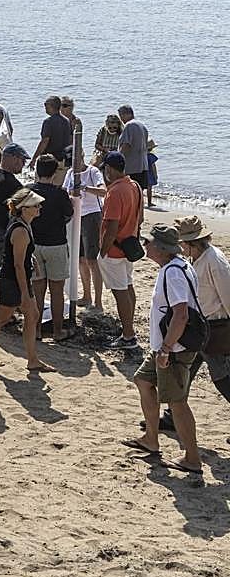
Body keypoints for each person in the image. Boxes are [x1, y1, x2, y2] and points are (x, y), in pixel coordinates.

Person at [121, 224, 203, 475]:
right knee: (143, 380)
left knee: (177, 403)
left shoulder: (173, 273)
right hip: (166, 345)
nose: (145, 245)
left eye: (149, 242)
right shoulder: (180, 266)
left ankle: (192, 459)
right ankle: (151, 439)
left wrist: (167, 349)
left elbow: (180, 315)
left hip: (174, 347)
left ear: (161, 248)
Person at [0, 187, 55, 372]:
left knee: (31, 315)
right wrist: (24, 293)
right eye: (35, 205)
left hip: (15, 279)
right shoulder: (21, 230)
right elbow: (17, 265)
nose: (39, 207)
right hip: (11, 281)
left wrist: (31, 259)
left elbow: (19, 257)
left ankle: (32, 359)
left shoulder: (22, 224)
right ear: (24, 208)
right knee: (2, 317)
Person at [174, 215, 230, 432]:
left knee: (223, 378)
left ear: (190, 243)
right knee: (182, 371)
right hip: (196, 326)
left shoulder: (214, 261)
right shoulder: (196, 258)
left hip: (215, 329)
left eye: (181, 243)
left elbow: (227, 296)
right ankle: (173, 415)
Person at [99, 151, 145, 351]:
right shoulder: (135, 186)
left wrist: (103, 251)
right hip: (130, 246)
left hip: (116, 249)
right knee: (128, 286)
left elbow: (111, 228)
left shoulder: (115, 192)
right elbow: (140, 218)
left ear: (109, 169)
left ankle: (128, 335)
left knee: (120, 293)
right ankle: (129, 329)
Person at [29, 155, 74, 340]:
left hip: (34, 244)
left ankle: (37, 330)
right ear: (55, 173)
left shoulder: (28, 191)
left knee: (38, 290)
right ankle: (57, 331)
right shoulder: (60, 193)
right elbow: (69, 214)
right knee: (57, 291)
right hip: (56, 244)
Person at [0, 143, 29, 309]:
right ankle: (6, 306)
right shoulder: (12, 184)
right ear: (12, 158)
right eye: (21, 160)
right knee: (8, 270)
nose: (23, 164)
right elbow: (24, 207)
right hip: (6, 231)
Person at [64, 156, 107, 312]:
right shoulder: (70, 173)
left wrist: (85, 188)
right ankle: (87, 296)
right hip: (76, 217)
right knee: (80, 259)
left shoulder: (93, 172)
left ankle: (98, 302)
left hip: (92, 215)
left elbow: (103, 191)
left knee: (92, 260)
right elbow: (65, 192)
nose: (74, 165)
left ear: (81, 157)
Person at [32, 95, 72, 176]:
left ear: (51, 106)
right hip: (64, 158)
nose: (44, 107)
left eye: (45, 104)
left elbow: (44, 141)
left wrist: (34, 158)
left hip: (50, 160)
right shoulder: (66, 121)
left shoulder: (48, 122)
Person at [117, 105, 150, 190]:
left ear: (127, 114)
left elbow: (126, 146)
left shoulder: (129, 125)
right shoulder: (142, 125)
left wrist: (118, 161)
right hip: (143, 166)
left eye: (121, 115)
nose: (121, 119)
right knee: (139, 193)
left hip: (132, 167)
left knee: (130, 193)